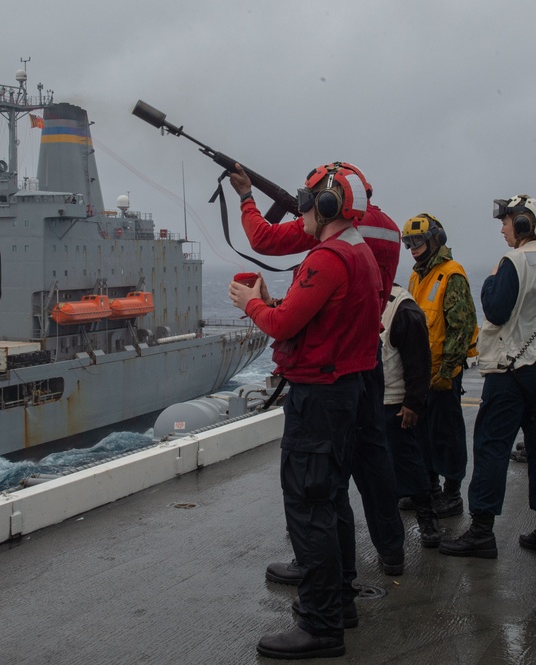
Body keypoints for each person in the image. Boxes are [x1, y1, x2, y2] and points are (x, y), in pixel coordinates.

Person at [229, 162, 382, 659]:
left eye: (308, 199)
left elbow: (281, 326)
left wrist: (253, 303)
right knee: (331, 498)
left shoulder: (327, 258)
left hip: (318, 397)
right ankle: (339, 604)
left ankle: (321, 625)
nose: (302, 208)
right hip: (346, 391)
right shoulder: (360, 253)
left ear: (330, 205)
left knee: (309, 505)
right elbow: (319, 320)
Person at [439, 195, 536, 560]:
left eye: (508, 222)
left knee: (491, 448)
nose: (503, 229)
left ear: (525, 224)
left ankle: (482, 531)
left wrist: (489, 284)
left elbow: (496, 312)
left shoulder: (514, 261)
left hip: (512, 369)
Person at [401, 213, 478, 518]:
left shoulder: (451, 274)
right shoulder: (416, 275)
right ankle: (429, 489)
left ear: (434, 239)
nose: (412, 248)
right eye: (408, 242)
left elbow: (462, 327)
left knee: (447, 436)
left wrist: (447, 372)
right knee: (420, 435)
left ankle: (452, 494)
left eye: (417, 241)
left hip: (444, 374)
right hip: (420, 373)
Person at [379, 283, 440, 546]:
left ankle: (427, 517)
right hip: (365, 400)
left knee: (408, 461)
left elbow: (419, 361)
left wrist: (413, 403)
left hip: (393, 402)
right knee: (374, 470)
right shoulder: (361, 295)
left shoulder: (402, 309)